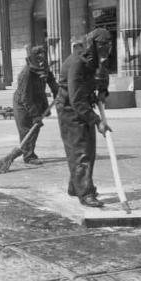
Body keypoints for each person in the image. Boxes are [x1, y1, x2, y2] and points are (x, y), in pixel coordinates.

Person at [55, 28, 113, 208]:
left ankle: (76, 186)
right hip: (70, 109)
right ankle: (85, 193)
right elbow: (76, 99)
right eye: (102, 44)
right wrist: (96, 121)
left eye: (108, 43)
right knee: (81, 151)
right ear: (93, 44)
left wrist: (102, 90)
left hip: (82, 105)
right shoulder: (77, 62)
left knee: (88, 148)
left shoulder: (95, 59)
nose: (106, 47)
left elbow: (101, 75)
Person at [13, 45, 59, 165]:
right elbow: (25, 98)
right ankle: (29, 156)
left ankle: (29, 152)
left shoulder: (44, 68)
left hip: (37, 98)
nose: (41, 57)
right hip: (22, 104)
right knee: (27, 129)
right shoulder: (26, 73)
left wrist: (56, 92)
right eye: (38, 55)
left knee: (36, 128)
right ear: (33, 57)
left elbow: (52, 81)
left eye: (43, 54)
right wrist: (34, 115)